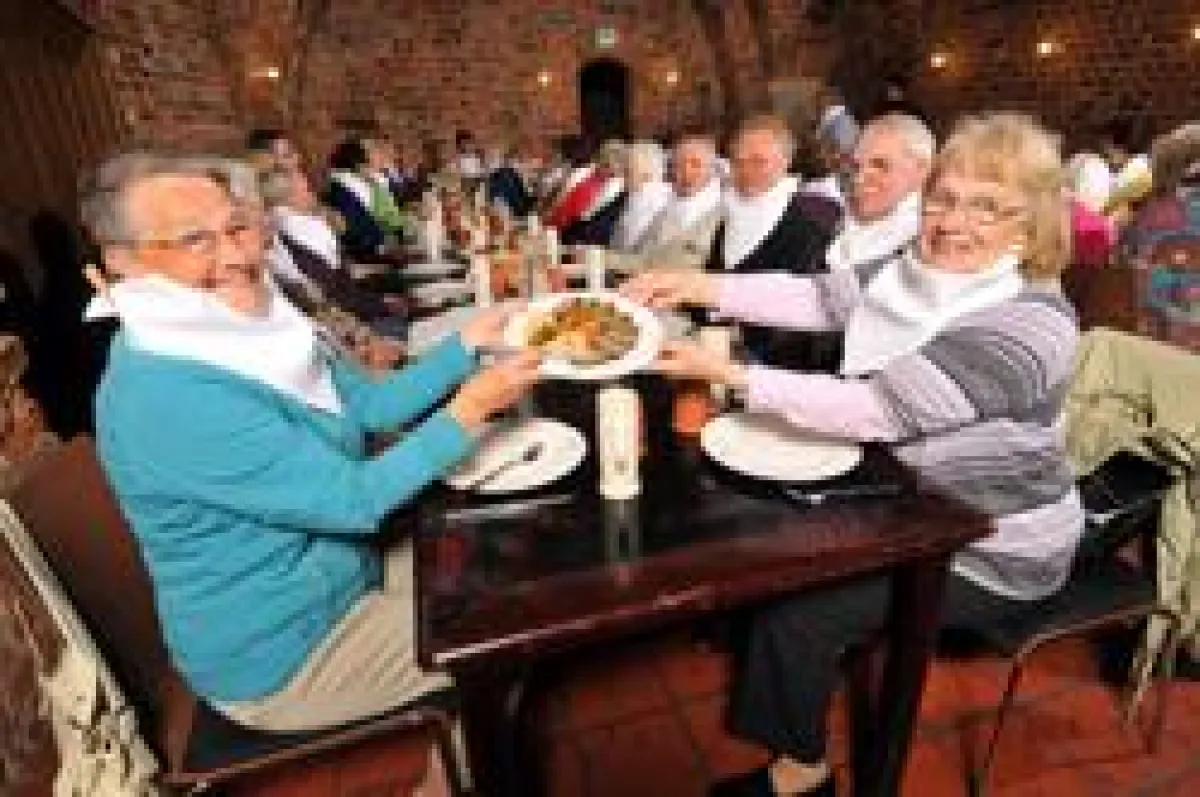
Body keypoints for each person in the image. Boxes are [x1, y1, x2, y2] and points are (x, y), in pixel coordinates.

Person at [624, 112, 1084, 796]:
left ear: (1031, 224)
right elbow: (818, 296)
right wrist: (699, 287)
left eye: (986, 206)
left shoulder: (1032, 324)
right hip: (914, 496)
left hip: (995, 541)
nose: (953, 221)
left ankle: (802, 773)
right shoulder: (924, 269)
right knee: (765, 537)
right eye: (944, 198)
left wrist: (735, 377)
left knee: (796, 609)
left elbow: (880, 409)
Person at [82, 154, 541, 733]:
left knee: (506, 551)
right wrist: (469, 409)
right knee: (514, 624)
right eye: (195, 240)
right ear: (122, 264)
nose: (236, 256)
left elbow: (371, 406)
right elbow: (354, 502)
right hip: (288, 652)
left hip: (348, 574)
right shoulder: (164, 392)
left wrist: (469, 342)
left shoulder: (253, 326)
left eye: (237, 227)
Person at [707, 114, 842, 371]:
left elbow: (807, 313)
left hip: (777, 365)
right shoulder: (731, 213)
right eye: (738, 162)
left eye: (759, 162)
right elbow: (714, 277)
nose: (745, 172)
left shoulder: (810, 226)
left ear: (785, 162)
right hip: (721, 346)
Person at [608, 132, 724, 272]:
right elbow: (637, 258)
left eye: (696, 164)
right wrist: (594, 257)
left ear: (711, 170)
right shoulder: (668, 209)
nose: (686, 172)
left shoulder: (721, 214)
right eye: (679, 165)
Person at [610, 140, 673, 252]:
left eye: (628, 169)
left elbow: (631, 243)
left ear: (647, 171)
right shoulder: (637, 193)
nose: (622, 174)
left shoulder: (655, 196)